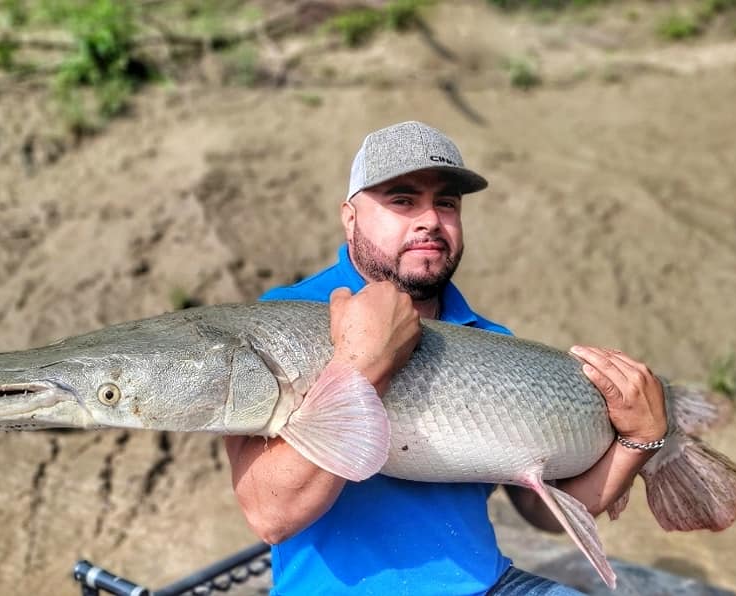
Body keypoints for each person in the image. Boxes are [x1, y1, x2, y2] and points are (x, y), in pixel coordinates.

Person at [223, 121, 668, 595]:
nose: (430, 219)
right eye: (403, 200)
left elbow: (542, 511)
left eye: (447, 203)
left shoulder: (494, 341)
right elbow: (269, 515)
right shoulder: (281, 320)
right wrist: (363, 361)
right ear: (350, 218)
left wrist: (641, 441)